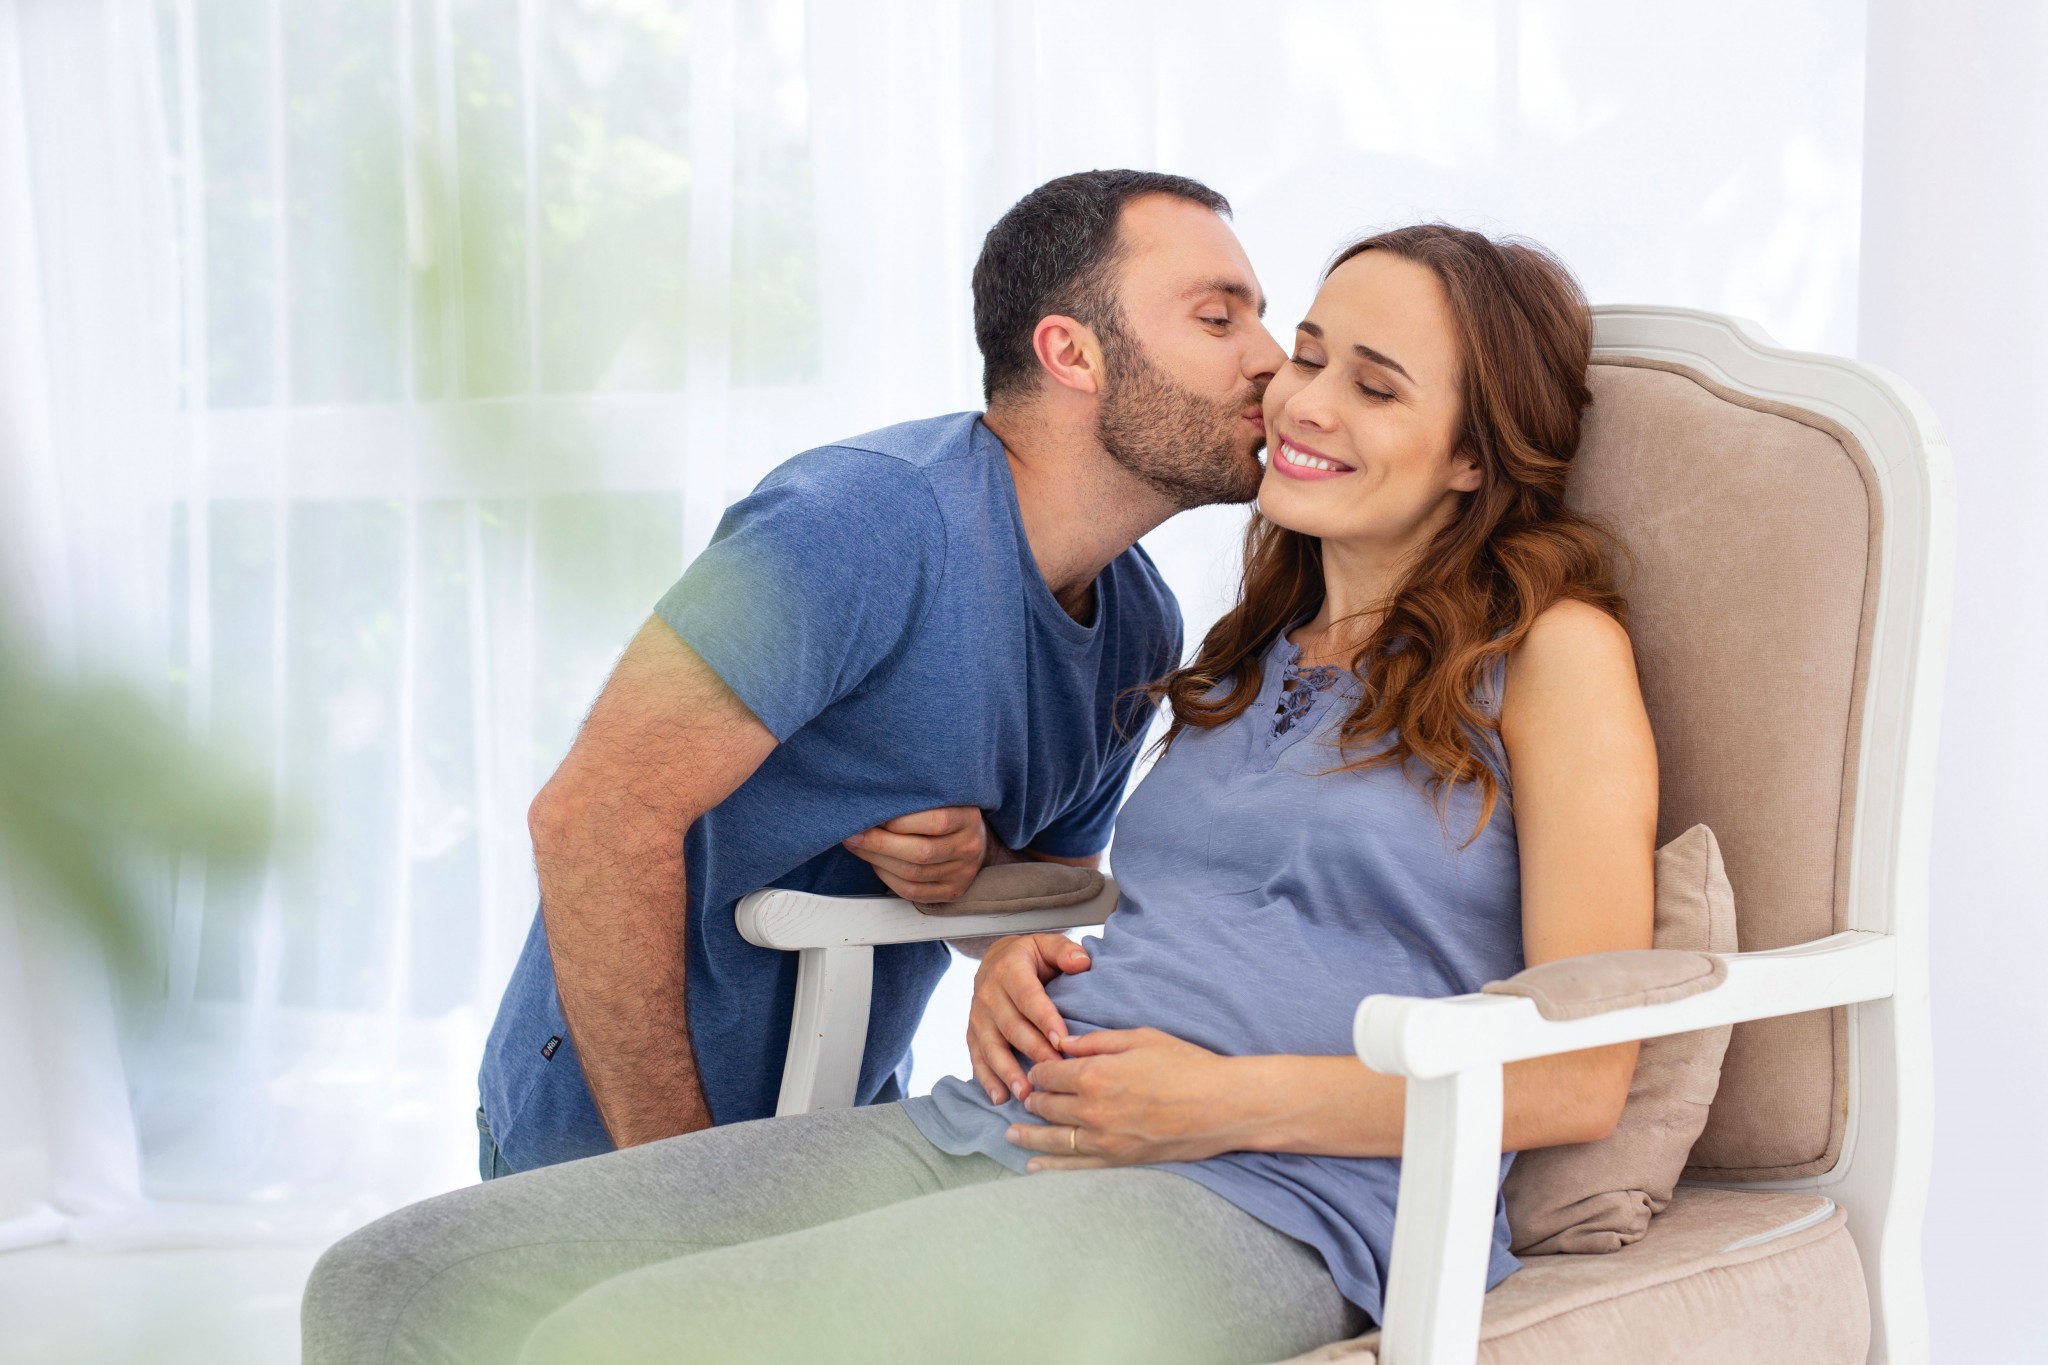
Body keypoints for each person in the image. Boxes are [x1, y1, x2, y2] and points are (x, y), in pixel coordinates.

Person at [304, 223, 1658, 1365]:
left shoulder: (1553, 655)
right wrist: (1019, 952)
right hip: (1007, 1124)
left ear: (1472, 454)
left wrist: (1221, 1105)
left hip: (1271, 1197)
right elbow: (1180, 912)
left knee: (645, 1334)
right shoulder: (1239, 654)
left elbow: (1583, 1074)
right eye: (1307, 354)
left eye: (1376, 386)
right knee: (391, 1286)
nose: (1296, 398)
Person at [475, 169, 1283, 1175]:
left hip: (833, 1136)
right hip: (609, 1149)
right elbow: (591, 820)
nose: (1272, 360)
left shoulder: (1139, 624)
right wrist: (679, 1184)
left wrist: (976, 868)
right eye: (1219, 318)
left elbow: (1047, 897)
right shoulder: (857, 521)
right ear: (1070, 352)